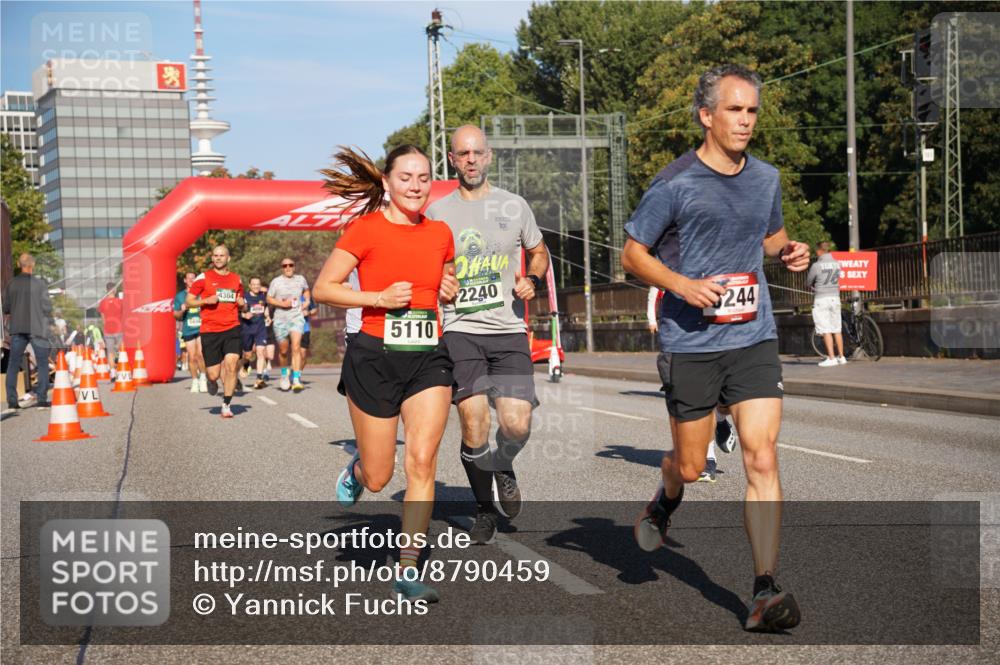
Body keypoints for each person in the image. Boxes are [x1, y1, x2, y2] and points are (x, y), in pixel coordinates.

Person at [621, 64, 810, 633]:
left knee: (761, 456)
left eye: (752, 110)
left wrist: (788, 252)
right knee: (692, 463)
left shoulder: (766, 178)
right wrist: (682, 285)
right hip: (692, 342)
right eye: (734, 110)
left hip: (753, 335)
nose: (746, 121)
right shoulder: (674, 182)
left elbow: (768, 234)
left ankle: (763, 589)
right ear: (707, 116)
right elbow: (633, 254)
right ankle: (666, 497)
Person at [313, 144, 456, 603]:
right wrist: (376, 299)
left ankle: (408, 566)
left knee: (421, 461)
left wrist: (448, 287)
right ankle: (357, 469)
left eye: (423, 178)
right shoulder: (365, 229)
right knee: (379, 478)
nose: (416, 186)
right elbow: (324, 288)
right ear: (387, 182)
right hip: (373, 355)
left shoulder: (440, 232)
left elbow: (444, 277)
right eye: (406, 177)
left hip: (427, 356)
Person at [426, 125, 549, 545]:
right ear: (452, 159)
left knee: (516, 426)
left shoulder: (514, 206)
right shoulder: (437, 213)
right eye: (464, 154)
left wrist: (533, 277)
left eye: (478, 152)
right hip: (462, 330)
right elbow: (424, 264)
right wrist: (437, 281)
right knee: (473, 421)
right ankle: (483, 510)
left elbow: (538, 250)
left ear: (490, 156)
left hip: (509, 329)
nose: (472, 160)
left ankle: (503, 465)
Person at [647, 286, 736, 482]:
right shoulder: (670, 258)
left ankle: (720, 418)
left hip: (719, 328)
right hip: (681, 334)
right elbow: (653, 284)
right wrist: (652, 320)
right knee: (695, 399)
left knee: (728, 401)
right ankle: (708, 458)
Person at [187, 245, 245, 418]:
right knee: (213, 373)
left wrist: (243, 304)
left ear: (228, 259)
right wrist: (205, 301)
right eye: (215, 255)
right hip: (210, 330)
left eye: (222, 255)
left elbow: (241, 302)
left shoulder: (237, 279)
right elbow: (190, 301)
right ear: (212, 259)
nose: (218, 258)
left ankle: (226, 404)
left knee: (232, 363)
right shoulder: (203, 277)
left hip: (232, 326)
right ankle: (211, 381)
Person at [3, 254, 53, 409]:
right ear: (34, 265)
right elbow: (47, 308)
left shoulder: (11, 284)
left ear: (19, 264)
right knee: (43, 362)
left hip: (18, 328)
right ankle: (42, 400)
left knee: (13, 363)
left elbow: (6, 308)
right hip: (37, 328)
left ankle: (12, 401)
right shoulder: (40, 284)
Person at [267, 258, 311, 392]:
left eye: (290, 265)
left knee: (296, 347)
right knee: (283, 351)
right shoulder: (276, 282)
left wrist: (307, 301)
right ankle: (284, 375)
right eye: (285, 265)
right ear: (282, 268)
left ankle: (296, 379)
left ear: (294, 266)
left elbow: (306, 290)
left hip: (296, 318)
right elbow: (269, 298)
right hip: (280, 320)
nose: (288, 267)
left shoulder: (301, 279)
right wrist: (282, 304)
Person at [807, 241, 845, 366]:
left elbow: (808, 283)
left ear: (819, 251)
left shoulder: (817, 265)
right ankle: (842, 356)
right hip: (835, 297)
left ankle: (831, 358)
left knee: (825, 329)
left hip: (822, 299)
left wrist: (813, 287)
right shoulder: (837, 264)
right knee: (837, 329)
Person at [174, 272, 206, 393]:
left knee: (201, 355)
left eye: (194, 278)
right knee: (192, 357)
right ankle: (194, 381)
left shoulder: (202, 294)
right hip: (188, 329)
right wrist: (182, 311)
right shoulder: (180, 296)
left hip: (201, 328)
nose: (192, 280)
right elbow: (175, 316)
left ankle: (203, 377)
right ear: (185, 281)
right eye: (189, 278)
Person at [241, 277, 269, 389]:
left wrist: (268, 317)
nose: (256, 286)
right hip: (247, 329)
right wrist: (244, 315)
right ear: (250, 286)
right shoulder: (244, 297)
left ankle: (259, 378)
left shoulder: (263, 297)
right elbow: (239, 312)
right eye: (254, 284)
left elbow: (265, 309)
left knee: (260, 352)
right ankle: (246, 363)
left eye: (258, 284)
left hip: (260, 329)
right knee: (248, 355)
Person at [96, 283, 123, 363]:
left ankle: (112, 372)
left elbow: (103, 319)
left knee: (110, 352)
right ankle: (121, 370)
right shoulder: (120, 301)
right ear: (115, 290)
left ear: (107, 290)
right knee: (122, 351)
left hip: (108, 331)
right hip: (119, 330)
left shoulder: (102, 303)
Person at [298, 294, 319, 372]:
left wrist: (309, 312)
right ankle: (294, 375)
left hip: (305, 329)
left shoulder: (307, 297)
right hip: (292, 329)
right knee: (295, 353)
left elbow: (314, 309)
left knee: (303, 355)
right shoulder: (289, 294)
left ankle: (297, 374)